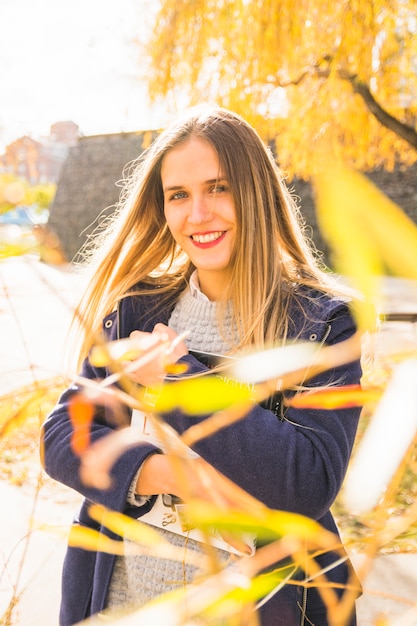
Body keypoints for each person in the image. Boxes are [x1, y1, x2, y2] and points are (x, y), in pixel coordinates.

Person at [41, 105, 363, 626]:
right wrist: (172, 475)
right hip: (125, 604)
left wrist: (178, 379)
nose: (198, 215)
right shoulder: (136, 311)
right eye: (179, 195)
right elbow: (61, 437)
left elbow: (305, 480)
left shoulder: (319, 325)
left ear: (255, 192)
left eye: (219, 187)